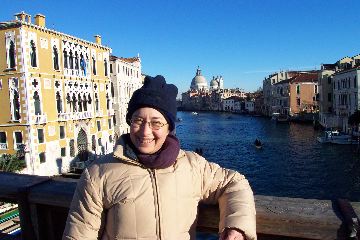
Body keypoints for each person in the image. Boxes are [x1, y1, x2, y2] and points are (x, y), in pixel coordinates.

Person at [63, 75, 256, 240]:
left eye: (156, 123)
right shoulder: (97, 174)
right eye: (138, 120)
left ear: (169, 128)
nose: (145, 131)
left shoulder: (192, 166)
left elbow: (234, 182)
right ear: (129, 122)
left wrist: (236, 226)